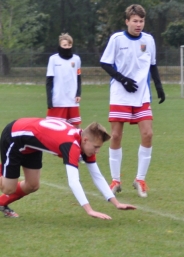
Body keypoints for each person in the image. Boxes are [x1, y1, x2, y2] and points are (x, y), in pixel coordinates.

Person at [0, 118, 136, 218]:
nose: (97, 151)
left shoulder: (84, 142)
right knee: (8, 188)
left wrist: (116, 203)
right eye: (96, 147)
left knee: (33, 185)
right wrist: (89, 210)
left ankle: (1, 203)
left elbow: (97, 176)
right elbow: (73, 182)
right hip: (14, 137)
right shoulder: (71, 145)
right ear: (86, 140)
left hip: (30, 144)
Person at [100, 4, 165, 198]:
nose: (138, 24)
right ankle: (115, 180)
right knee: (116, 136)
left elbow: (152, 65)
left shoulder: (149, 40)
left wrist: (159, 87)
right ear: (127, 21)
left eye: (141, 21)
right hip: (120, 93)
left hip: (142, 94)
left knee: (148, 133)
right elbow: (105, 63)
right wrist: (123, 80)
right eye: (135, 21)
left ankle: (140, 179)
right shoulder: (117, 39)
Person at [46, 33, 82, 128]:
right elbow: (49, 81)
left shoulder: (76, 59)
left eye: (69, 45)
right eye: (64, 45)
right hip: (58, 99)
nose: (67, 47)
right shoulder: (53, 59)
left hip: (72, 99)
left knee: (75, 127)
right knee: (54, 127)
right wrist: (49, 100)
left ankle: (74, 143)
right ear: (60, 45)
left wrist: (78, 94)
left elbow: (78, 78)